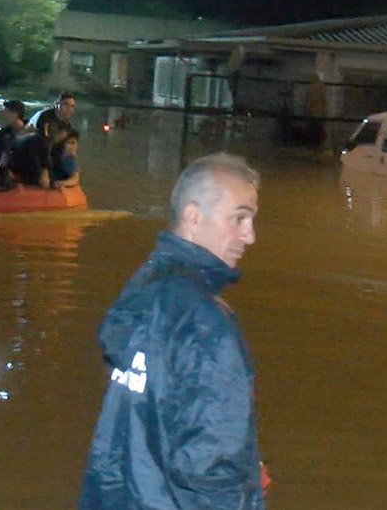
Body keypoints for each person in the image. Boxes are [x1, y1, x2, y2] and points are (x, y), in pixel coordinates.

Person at [79, 152, 268, 510]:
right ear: (193, 217)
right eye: (239, 218)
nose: (250, 236)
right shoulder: (205, 323)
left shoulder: (143, 289)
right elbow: (210, 466)